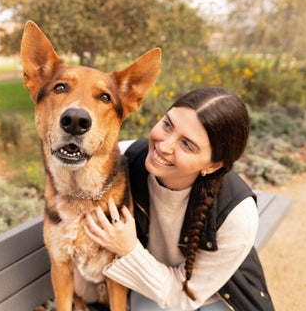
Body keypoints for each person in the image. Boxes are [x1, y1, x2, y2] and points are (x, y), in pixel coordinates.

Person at [84, 87, 274, 310]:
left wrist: (128, 249)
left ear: (212, 165)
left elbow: (184, 297)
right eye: (167, 125)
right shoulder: (124, 159)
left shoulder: (236, 214)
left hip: (214, 296)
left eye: (187, 144)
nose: (163, 146)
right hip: (150, 285)